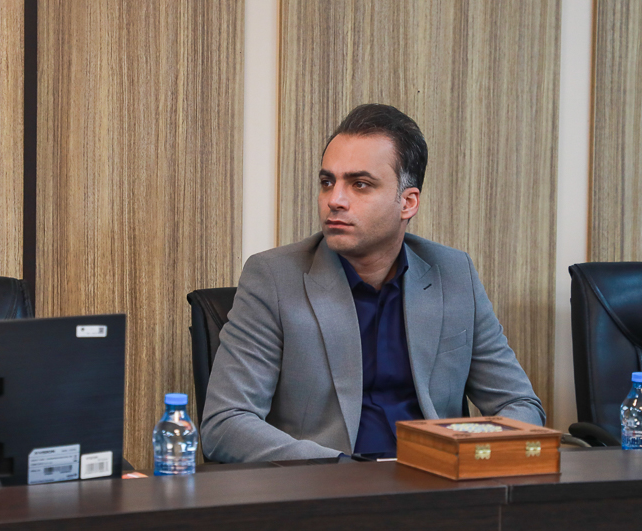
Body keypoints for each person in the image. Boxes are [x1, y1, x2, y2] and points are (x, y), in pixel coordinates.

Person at [200, 104, 545, 463]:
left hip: (436, 483)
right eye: (327, 182)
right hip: (329, 484)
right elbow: (225, 424)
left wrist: (463, 457)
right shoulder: (273, 278)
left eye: (360, 184)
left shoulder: (453, 274)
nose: (335, 200)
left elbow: (519, 405)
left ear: (407, 203)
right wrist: (340, 470)